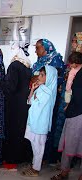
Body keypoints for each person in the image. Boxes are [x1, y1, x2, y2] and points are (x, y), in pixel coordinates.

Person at [0, 42, 32, 165]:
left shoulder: (14, 66)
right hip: (22, 105)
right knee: (19, 131)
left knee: (12, 132)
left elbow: (10, 87)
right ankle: (19, 158)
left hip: (14, 105)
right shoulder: (25, 66)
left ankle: (11, 159)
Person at [32, 39, 66, 165]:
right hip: (37, 96)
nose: (36, 51)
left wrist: (37, 78)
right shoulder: (40, 61)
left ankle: (46, 157)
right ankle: (36, 155)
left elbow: (52, 80)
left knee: (46, 127)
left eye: (38, 48)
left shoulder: (55, 60)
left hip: (49, 99)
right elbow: (34, 77)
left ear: (46, 48)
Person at [51, 52, 82, 180]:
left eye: (71, 63)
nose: (70, 66)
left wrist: (69, 105)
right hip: (73, 112)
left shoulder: (79, 75)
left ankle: (67, 173)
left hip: (77, 113)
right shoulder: (74, 73)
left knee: (73, 143)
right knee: (69, 143)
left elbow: (78, 95)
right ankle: (64, 172)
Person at [22, 66, 58, 177]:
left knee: (38, 147)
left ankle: (35, 169)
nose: (39, 77)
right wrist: (33, 89)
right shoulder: (41, 88)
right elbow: (30, 101)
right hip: (34, 121)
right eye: (40, 74)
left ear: (50, 77)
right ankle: (34, 165)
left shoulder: (48, 92)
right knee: (35, 146)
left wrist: (35, 93)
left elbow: (35, 104)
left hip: (40, 123)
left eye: (42, 75)